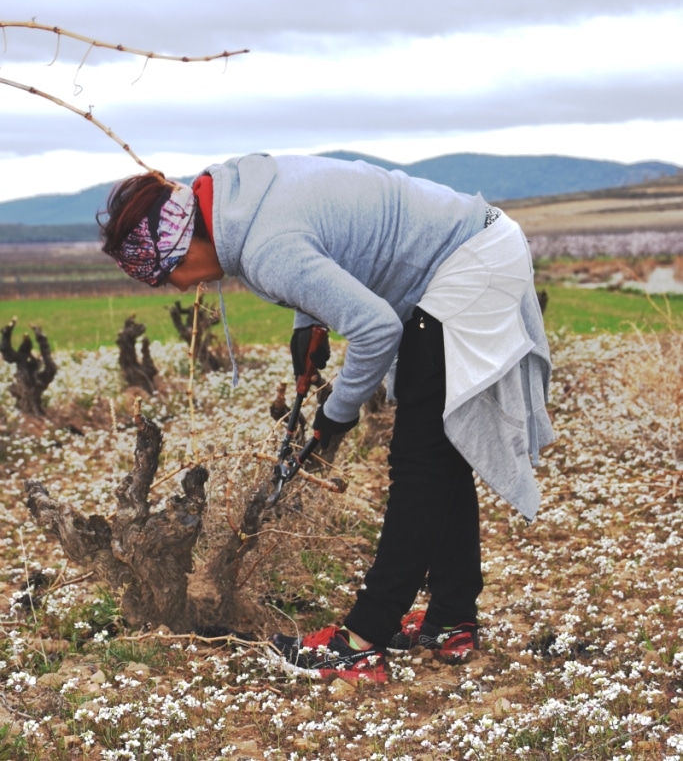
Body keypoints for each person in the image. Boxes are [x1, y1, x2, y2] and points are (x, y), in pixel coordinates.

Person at [98, 153, 554, 684]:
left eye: (165, 274)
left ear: (182, 244)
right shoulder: (240, 198)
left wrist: (336, 415)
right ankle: (451, 619)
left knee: (419, 462)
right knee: (442, 446)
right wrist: (308, 322)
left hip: (468, 267)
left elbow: (377, 329)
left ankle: (360, 642)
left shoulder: (265, 248)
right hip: (480, 242)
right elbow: (324, 239)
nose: (176, 288)